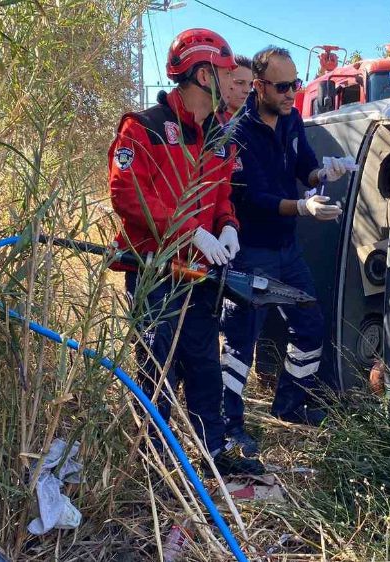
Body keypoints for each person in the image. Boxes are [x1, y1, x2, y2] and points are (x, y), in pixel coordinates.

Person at [107, 28, 263, 476]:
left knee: (202, 362)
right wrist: (191, 232)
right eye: (224, 73)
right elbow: (128, 194)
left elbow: (220, 197)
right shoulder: (144, 127)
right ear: (200, 73)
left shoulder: (218, 136)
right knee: (156, 367)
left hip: (200, 275)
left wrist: (227, 226)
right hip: (155, 270)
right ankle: (152, 460)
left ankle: (213, 451)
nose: (235, 83)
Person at [220, 46, 356, 456]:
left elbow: (306, 169)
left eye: (295, 84)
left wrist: (325, 172)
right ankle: (230, 427)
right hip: (252, 251)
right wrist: (301, 206)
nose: (292, 93)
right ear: (258, 87)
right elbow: (251, 198)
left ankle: (290, 405)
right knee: (241, 341)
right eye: (282, 86)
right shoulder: (238, 135)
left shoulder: (292, 118)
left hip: (287, 248)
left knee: (311, 326)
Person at [224, 54, 253, 120]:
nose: (247, 90)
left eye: (251, 85)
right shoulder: (207, 120)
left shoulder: (254, 123)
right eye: (240, 83)